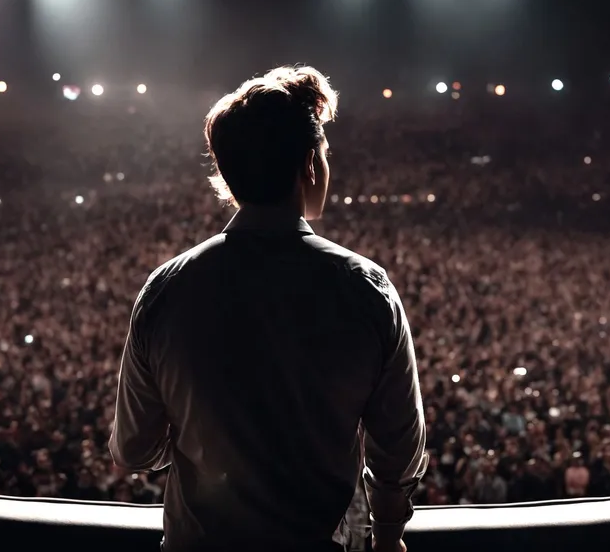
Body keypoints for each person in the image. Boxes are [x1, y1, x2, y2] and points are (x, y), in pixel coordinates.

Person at [110, 66, 428, 552]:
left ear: (227, 175)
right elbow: (399, 449)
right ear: (309, 165)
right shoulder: (366, 288)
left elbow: (134, 449)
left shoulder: (166, 290)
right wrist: (387, 535)